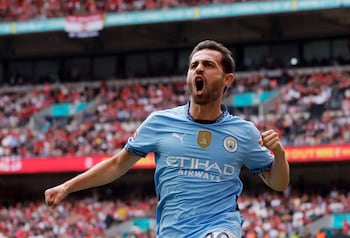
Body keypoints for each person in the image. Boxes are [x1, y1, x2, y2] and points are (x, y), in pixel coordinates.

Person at [45, 40, 290, 238]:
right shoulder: (159, 123)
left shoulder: (244, 132)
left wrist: (279, 154)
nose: (199, 69)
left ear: (228, 79)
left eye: (208, 65)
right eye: (194, 65)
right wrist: (67, 186)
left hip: (220, 226)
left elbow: (278, 183)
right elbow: (117, 165)